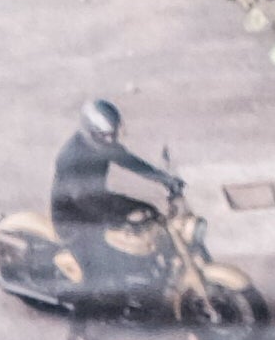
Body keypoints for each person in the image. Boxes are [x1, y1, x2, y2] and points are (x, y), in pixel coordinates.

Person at [51, 97, 189, 252]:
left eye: (113, 134)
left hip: (97, 200)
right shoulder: (71, 157)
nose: (110, 140)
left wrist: (165, 179)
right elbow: (82, 199)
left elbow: (131, 162)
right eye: (104, 135)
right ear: (90, 132)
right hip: (75, 219)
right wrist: (118, 220)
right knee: (112, 257)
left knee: (149, 212)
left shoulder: (101, 144)